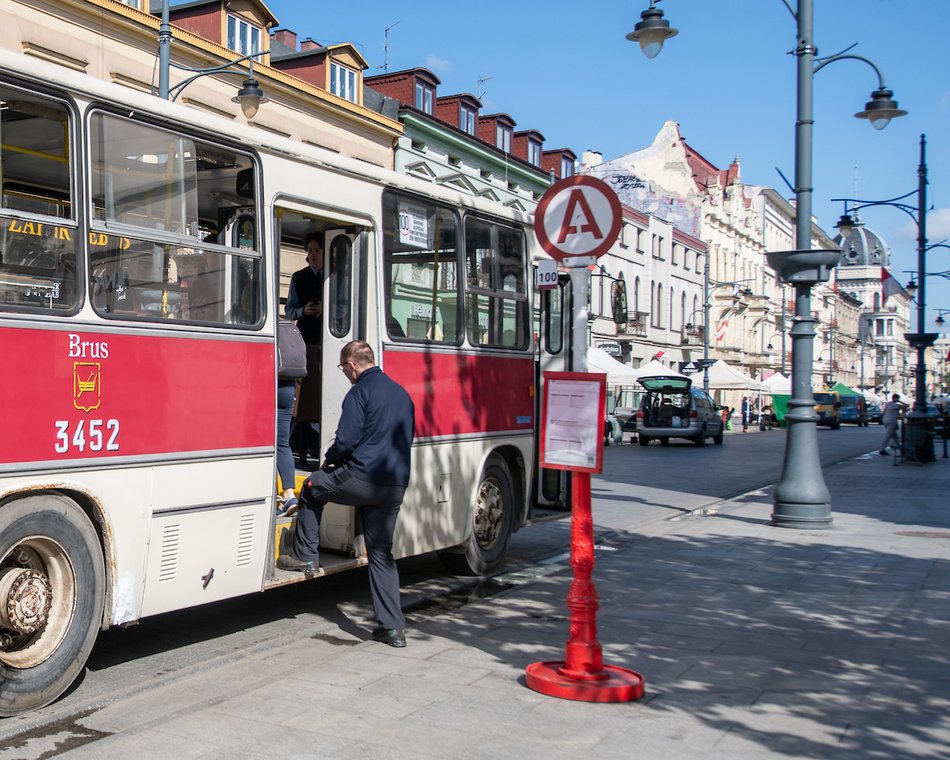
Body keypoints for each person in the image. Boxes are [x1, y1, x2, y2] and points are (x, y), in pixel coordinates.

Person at [278, 340, 415, 648]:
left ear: (352, 365)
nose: (344, 373)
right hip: (393, 484)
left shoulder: (359, 393)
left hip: (361, 478)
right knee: (381, 553)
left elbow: (346, 441)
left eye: (343, 368)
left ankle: (306, 556)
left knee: (312, 487)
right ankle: (392, 629)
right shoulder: (401, 393)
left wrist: (329, 463)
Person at [285, 233, 325, 464]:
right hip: (305, 342)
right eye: (310, 250)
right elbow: (290, 310)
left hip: (327, 341)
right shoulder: (298, 277)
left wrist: (325, 309)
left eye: (317, 250)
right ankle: (299, 446)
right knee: (303, 397)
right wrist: (304, 311)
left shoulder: (335, 276)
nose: (313, 254)